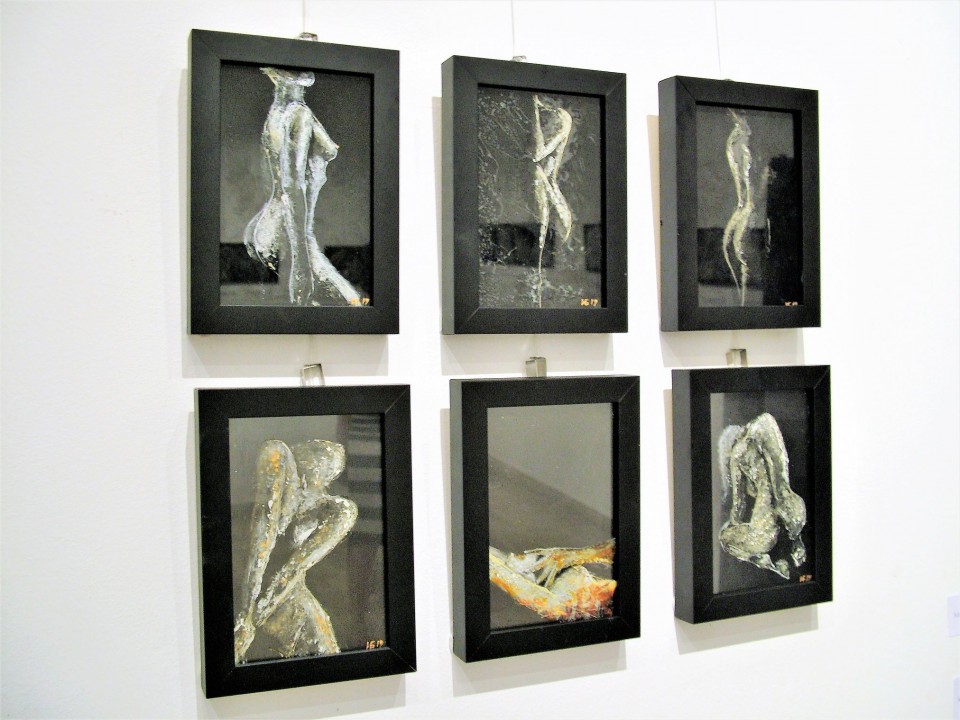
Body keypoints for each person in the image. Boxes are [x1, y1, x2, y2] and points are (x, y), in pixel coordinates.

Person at [243, 68, 360, 306]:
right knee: (353, 306)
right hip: (292, 233)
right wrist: (301, 263)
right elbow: (292, 185)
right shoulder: (299, 115)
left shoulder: (278, 113)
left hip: (272, 224)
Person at [234, 439, 358, 663]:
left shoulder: (337, 510)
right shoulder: (278, 459)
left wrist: (251, 617)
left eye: (328, 471)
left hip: (283, 594)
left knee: (326, 651)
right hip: (252, 589)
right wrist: (246, 614)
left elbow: (292, 569)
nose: (321, 478)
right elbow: (262, 540)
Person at [717, 413, 806, 579]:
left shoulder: (736, 455)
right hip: (794, 513)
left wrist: (734, 524)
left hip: (767, 530)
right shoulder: (763, 425)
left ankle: (765, 562)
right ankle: (796, 543)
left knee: (725, 537)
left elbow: (739, 504)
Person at [531, 95, 573, 307]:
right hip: (544, 199)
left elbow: (536, 153)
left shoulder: (557, 117)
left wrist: (531, 109)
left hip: (551, 202)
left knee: (535, 282)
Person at [721, 109, 755, 306]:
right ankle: (740, 306)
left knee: (736, 249)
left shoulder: (744, 139)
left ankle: (743, 305)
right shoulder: (735, 139)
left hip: (748, 205)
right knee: (729, 248)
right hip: (743, 204)